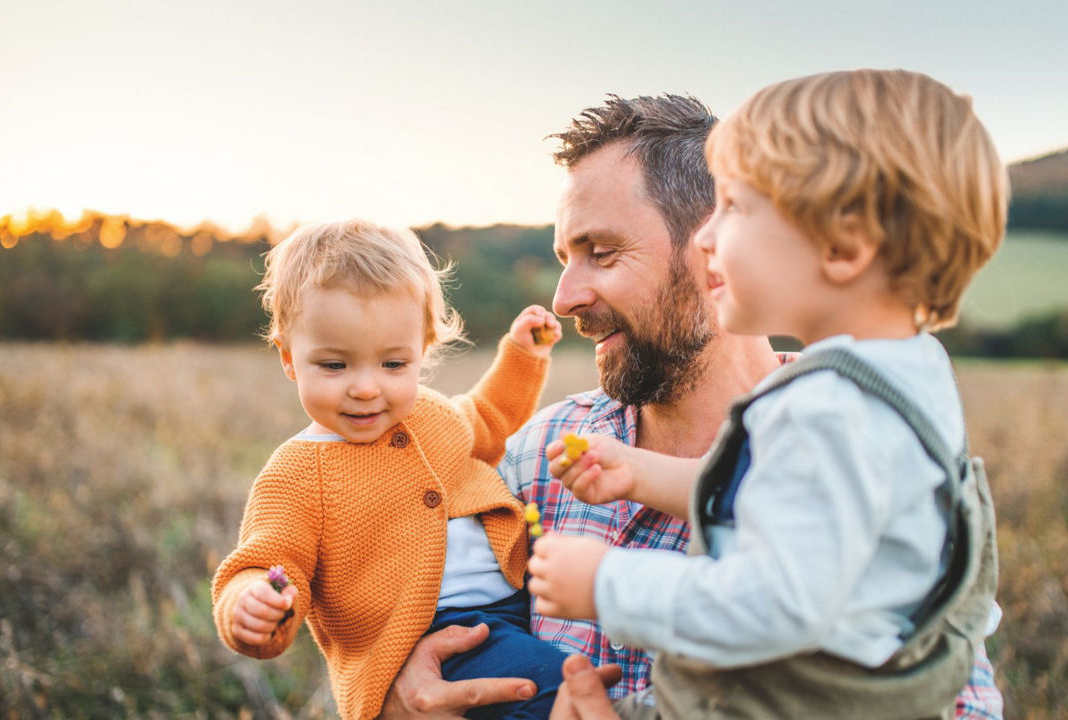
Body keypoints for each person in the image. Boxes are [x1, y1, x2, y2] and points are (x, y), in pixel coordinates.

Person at [378, 94, 1004, 718]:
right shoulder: (539, 453)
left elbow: (948, 693)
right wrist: (398, 696)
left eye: (602, 251)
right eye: (564, 260)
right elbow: (438, 622)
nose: (564, 298)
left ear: (708, 245)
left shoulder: (866, 441)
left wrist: (606, 584)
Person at [211, 219, 571, 720]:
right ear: (290, 357)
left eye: (393, 365)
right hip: (432, 637)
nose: (365, 387)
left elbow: (488, 419)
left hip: (513, 606)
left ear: (421, 351)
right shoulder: (297, 472)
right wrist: (249, 603)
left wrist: (522, 356)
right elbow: (266, 561)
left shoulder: (431, 414)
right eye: (335, 365)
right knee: (564, 692)